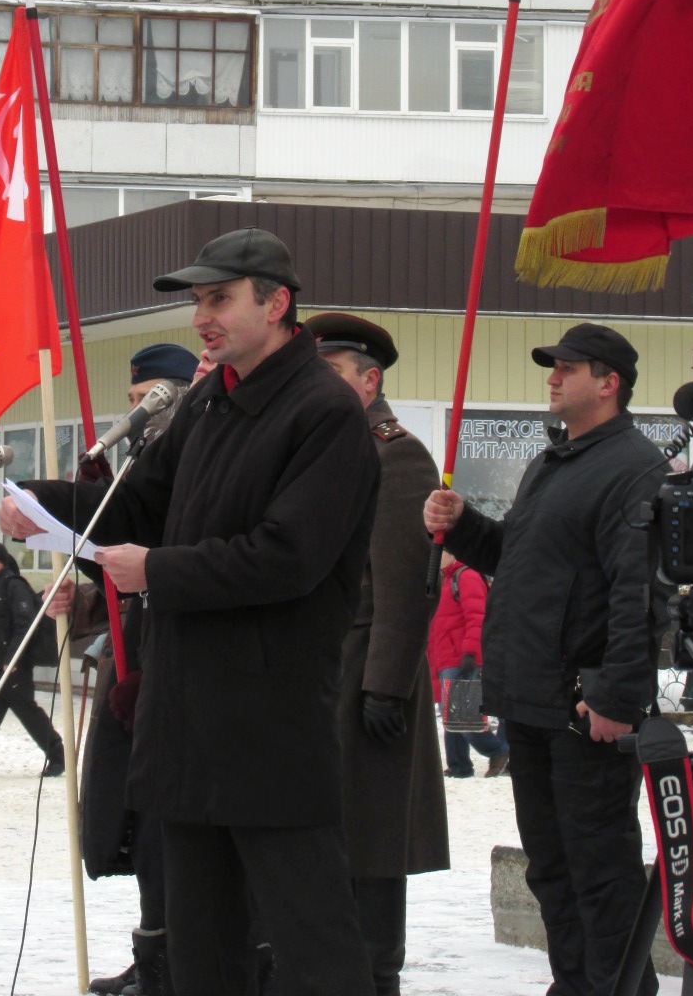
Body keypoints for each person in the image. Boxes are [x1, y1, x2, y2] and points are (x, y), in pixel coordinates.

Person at [1, 227, 381, 996]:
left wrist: (159, 573)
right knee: (201, 940)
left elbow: (288, 556)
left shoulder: (323, 413)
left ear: (276, 303)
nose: (202, 318)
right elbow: (142, 503)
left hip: (268, 717)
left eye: (219, 299)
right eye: (197, 302)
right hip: (186, 714)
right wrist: (46, 503)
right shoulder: (210, 398)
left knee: (312, 939)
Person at [423, 323, 667, 996]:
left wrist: (617, 695)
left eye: (568, 367)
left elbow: (636, 591)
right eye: (552, 367)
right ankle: (576, 985)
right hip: (530, 701)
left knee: (601, 872)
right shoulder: (553, 463)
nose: (553, 377)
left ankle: (617, 990)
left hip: (581, 709)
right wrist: (465, 524)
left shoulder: (632, 467)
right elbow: (519, 562)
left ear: (609, 381)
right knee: (552, 870)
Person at [305, 312, 448, 996]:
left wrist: (386, 685)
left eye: (330, 373)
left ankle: (375, 977)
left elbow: (402, 581)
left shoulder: (395, 453)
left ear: (371, 379)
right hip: (318, 674)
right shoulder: (321, 447)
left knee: (370, 846)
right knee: (319, 845)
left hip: (366, 676)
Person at [80, 341, 200, 996]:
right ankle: (152, 956)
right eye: (130, 402)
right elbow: (120, 575)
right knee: (140, 827)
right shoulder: (138, 463)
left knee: (173, 834)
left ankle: (177, 961)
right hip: (137, 666)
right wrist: (85, 592)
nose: (137, 412)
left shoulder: (194, 462)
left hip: (179, 670)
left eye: (148, 398)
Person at [0, 538, 64, 774]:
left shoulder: (14, 585)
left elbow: (26, 624)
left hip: (13, 667)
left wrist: (13, 658)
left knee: (27, 713)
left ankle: (59, 757)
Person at [427, 549, 509, 778]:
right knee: (450, 714)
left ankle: (500, 750)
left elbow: (477, 616)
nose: (436, 555)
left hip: (461, 656)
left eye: (441, 551)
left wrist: (471, 653)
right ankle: (459, 765)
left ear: (453, 553)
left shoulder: (466, 575)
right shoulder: (446, 580)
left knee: (461, 716)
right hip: (447, 657)